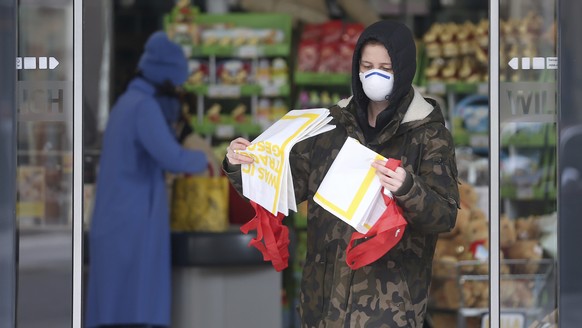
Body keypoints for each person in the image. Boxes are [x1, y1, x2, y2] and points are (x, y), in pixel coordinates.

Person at [224, 20, 459, 327]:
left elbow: (444, 216)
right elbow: (285, 188)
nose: (375, 74)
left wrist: (407, 188)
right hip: (323, 306)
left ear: (404, 68)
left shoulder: (429, 135)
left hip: (389, 309)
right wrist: (244, 165)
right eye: (367, 65)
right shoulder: (330, 126)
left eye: (386, 67)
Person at [85, 31, 208, 328]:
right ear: (166, 77)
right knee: (132, 307)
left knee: (113, 305)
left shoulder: (127, 101)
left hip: (116, 218)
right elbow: (172, 157)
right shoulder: (144, 107)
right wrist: (210, 158)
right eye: (176, 83)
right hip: (130, 222)